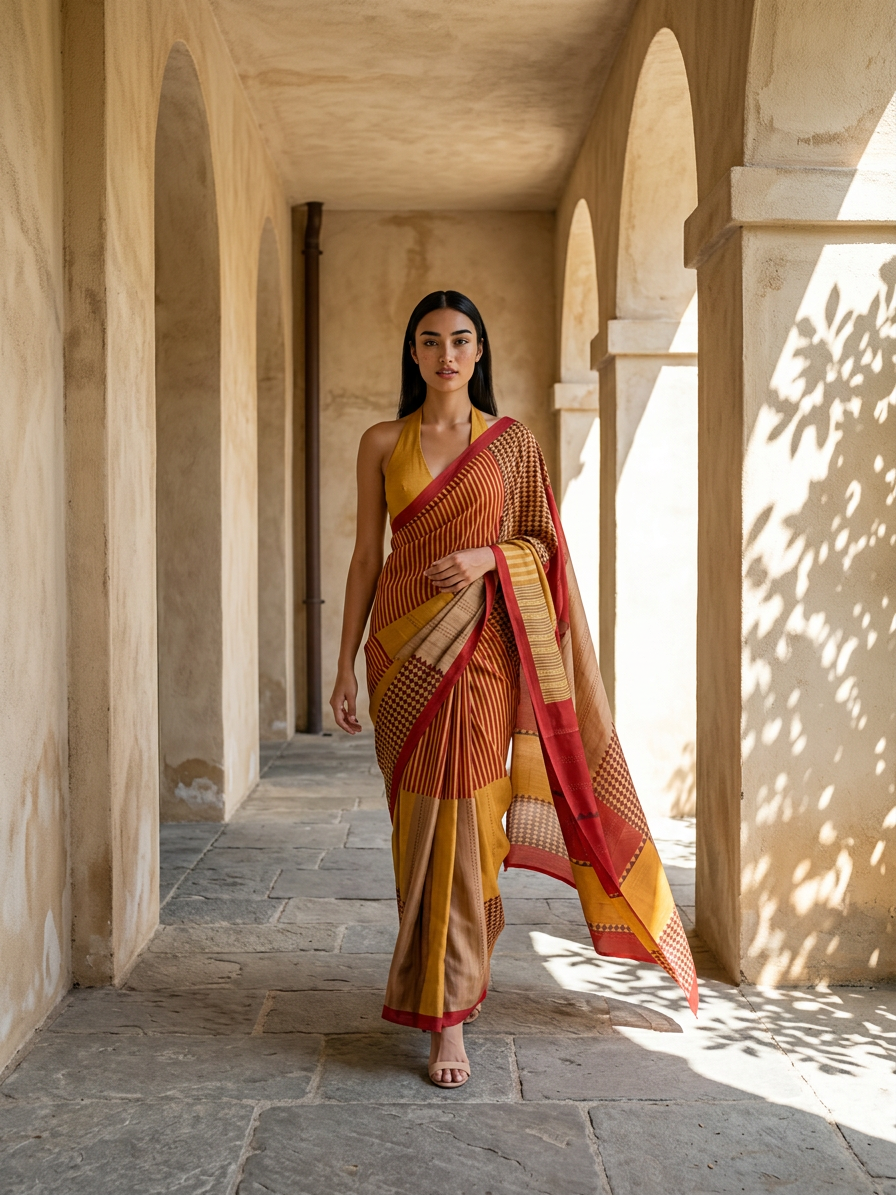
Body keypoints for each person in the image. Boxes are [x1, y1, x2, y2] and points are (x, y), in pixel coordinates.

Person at [329, 290, 696, 1090]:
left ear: (480, 351)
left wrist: (490, 558)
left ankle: (450, 1006)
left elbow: (544, 545)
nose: (446, 355)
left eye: (461, 340)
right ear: (414, 354)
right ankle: (446, 986)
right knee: (419, 829)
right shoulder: (381, 440)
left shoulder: (511, 445)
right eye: (430, 341)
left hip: (484, 653)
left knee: (472, 821)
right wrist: (344, 659)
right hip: (401, 652)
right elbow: (365, 556)